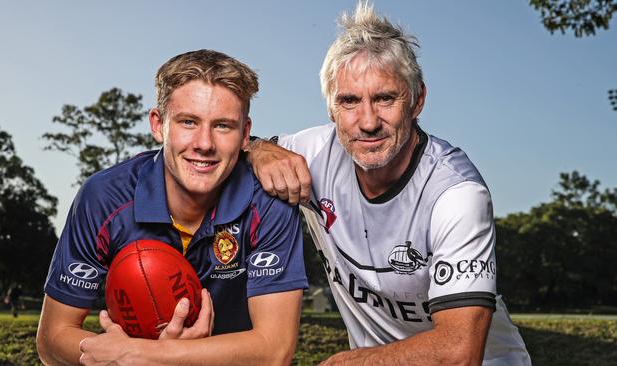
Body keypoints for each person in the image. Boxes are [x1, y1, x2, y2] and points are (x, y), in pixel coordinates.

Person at [246, 3, 531, 365]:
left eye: (384, 98)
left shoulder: (457, 193)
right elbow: (228, 148)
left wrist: (350, 362)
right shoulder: (310, 153)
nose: (367, 122)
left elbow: (459, 353)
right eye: (349, 101)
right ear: (331, 108)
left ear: (416, 100)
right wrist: (258, 148)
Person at [36, 49, 308, 365]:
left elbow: (273, 351)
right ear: (158, 124)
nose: (204, 143)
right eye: (188, 122)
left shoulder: (268, 198)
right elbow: (52, 339)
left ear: (245, 133)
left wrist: (143, 355)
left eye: (223, 126)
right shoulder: (104, 196)